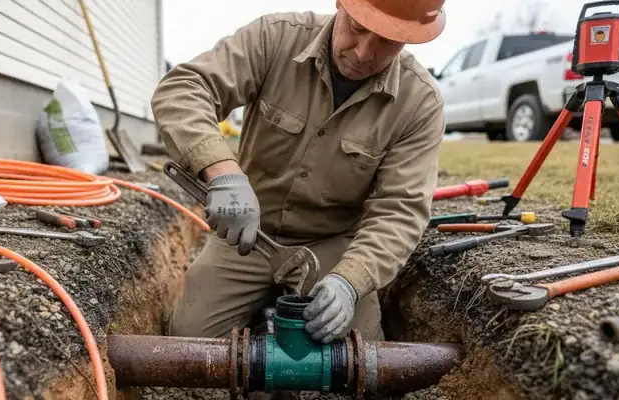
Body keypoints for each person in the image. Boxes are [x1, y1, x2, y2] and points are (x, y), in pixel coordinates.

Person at [152, 0, 447, 344]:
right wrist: (223, 174)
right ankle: (261, 309)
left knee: (365, 358)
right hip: (247, 236)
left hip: (333, 249)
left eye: (387, 41)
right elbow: (183, 89)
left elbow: (400, 211)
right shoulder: (275, 38)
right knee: (189, 341)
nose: (364, 53)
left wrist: (350, 282)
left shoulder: (419, 103)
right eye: (357, 28)